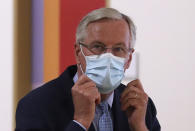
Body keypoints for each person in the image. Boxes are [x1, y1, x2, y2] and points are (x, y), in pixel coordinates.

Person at [15, 8, 161, 131]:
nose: (108, 57)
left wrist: (140, 127)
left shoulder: (141, 107)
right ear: (78, 53)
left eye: (118, 49)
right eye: (97, 47)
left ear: (128, 59)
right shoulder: (36, 105)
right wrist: (80, 122)